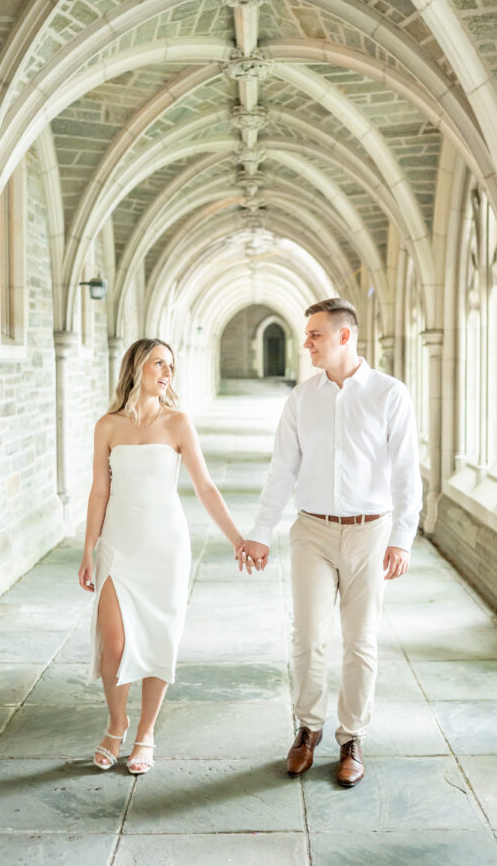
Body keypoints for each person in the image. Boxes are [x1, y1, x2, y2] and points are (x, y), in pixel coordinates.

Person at [240, 298, 421, 787]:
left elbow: (406, 472)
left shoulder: (389, 394)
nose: (306, 343)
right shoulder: (302, 397)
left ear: (345, 336)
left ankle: (352, 737)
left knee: (361, 641)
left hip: (370, 530)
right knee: (308, 636)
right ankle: (308, 728)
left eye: (315, 334)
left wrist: (402, 537)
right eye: (307, 334)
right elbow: (283, 470)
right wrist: (260, 532)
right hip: (312, 531)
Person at [78, 338, 251, 774]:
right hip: (119, 545)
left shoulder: (178, 424)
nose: (167, 371)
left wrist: (237, 538)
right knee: (114, 644)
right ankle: (117, 723)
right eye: (159, 363)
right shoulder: (108, 426)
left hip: (165, 546)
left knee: (158, 639)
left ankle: (146, 733)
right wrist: (88, 549)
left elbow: (206, 487)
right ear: (137, 367)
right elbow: (100, 491)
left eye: (171, 365)